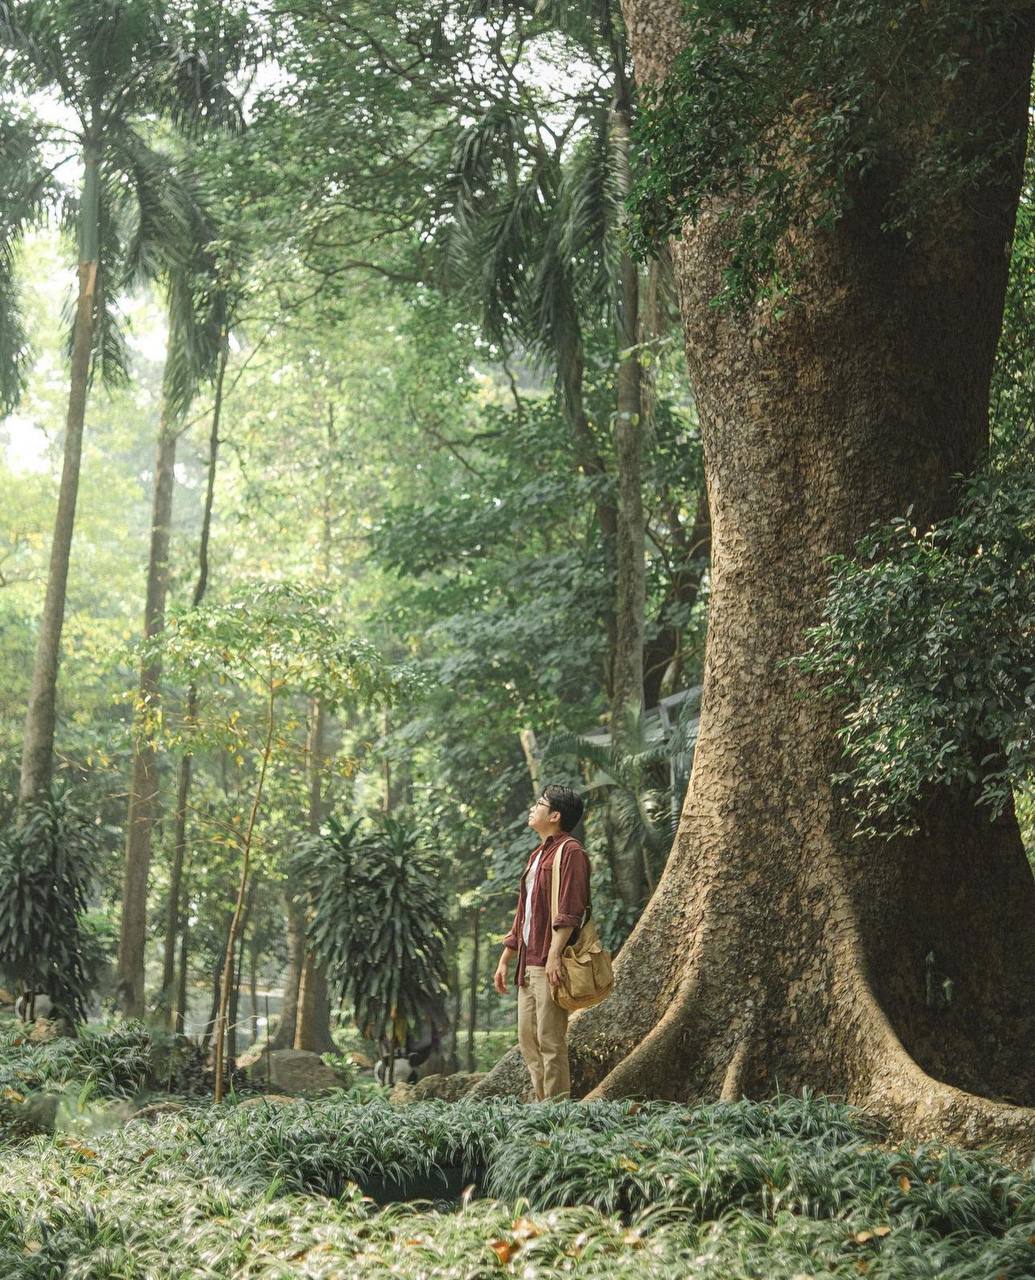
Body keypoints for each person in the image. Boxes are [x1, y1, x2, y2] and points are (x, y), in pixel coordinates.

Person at [493, 783, 589, 1100]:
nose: (533, 808)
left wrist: (554, 955)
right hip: (527, 962)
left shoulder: (571, 851)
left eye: (540, 803)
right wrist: (506, 958)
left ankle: (556, 1113)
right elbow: (524, 912)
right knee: (527, 1040)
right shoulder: (537, 855)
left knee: (550, 1040)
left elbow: (570, 910)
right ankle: (541, 1105)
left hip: (548, 961)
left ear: (555, 815)